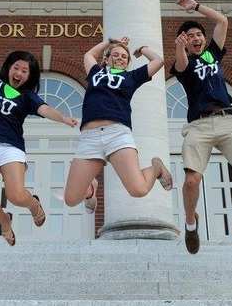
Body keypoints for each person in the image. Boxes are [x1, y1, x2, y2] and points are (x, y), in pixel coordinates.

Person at [0, 11, 78, 247]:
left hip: (11, 148)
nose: (19, 73)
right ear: (9, 67)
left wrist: (63, 119)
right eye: (16, 67)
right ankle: (5, 222)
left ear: (29, 76)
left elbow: (46, 110)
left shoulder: (28, 96)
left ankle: (34, 204)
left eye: (24, 71)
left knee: (15, 195)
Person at [171, 0, 232, 253]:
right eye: (190, 37)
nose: (196, 39)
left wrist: (196, 7)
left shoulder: (213, 54)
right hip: (198, 126)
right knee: (191, 182)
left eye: (198, 34)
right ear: (185, 43)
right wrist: (179, 46)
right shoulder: (184, 64)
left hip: (227, 120)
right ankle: (190, 224)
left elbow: (222, 20)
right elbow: (180, 63)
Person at [63, 37, 173, 214]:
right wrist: (108, 42)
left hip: (118, 134)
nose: (121, 58)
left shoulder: (131, 77)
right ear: (106, 58)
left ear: (128, 62)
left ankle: (156, 168)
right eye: (116, 55)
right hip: (89, 138)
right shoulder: (95, 72)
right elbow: (89, 54)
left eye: (124, 56)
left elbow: (158, 61)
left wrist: (142, 48)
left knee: (139, 190)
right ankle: (91, 187)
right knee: (71, 199)